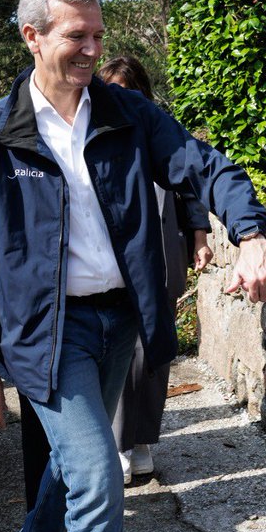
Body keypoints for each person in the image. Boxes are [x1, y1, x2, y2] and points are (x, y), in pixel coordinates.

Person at [0, 0, 266, 532]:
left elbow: (203, 165)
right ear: (32, 37)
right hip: (48, 334)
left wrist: (252, 234)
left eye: (99, 34)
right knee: (99, 476)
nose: (94, 49)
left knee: (82, 455)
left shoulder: (129, 114)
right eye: (78, 35)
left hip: (119, 321)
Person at [97, 55, 213, 484]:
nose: (123, 100)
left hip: (162, 253)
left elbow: (191, 187)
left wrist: (200, 238)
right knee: (120, 354)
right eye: (114, 91)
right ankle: (117, 444)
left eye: (131, 92)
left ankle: (142, 440)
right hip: (114, 260)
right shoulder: (94, 131)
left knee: (154, 351)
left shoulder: (159, 130)